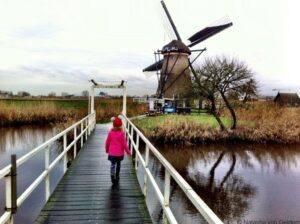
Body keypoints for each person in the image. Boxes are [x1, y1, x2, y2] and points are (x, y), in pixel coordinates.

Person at [105, 116, 131, 184]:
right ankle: (117, 175)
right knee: (118, 164)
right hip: (119, 154)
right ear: (121, 125)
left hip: (112, 153)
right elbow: (124, 144)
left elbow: (107, 142)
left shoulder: (110, 133)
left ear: (113, 125)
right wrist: (128, 152)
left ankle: (112, 176)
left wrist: (107, 149)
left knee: (112, 164)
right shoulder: (122, 134)